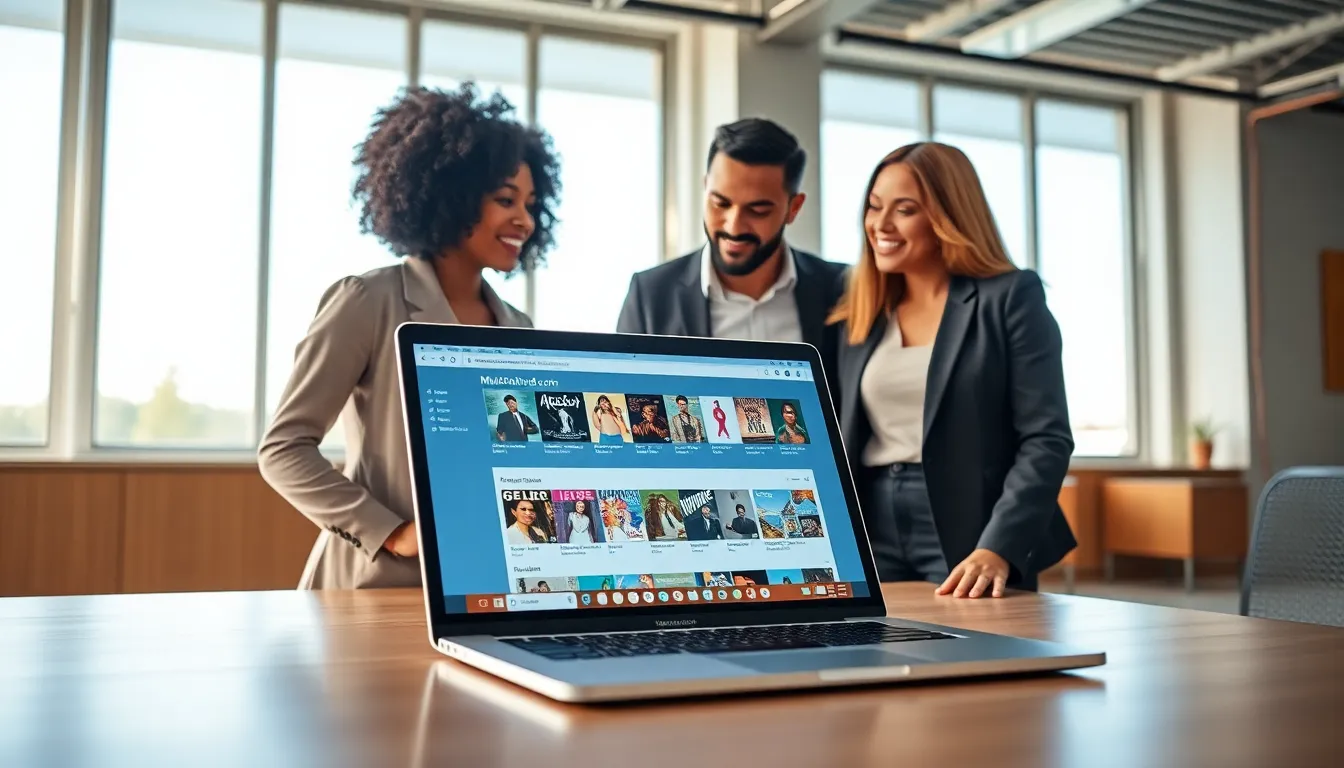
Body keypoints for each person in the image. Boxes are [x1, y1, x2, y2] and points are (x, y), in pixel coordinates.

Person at [258, 84, 562, 590]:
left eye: (531, 204)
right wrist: (392, 532)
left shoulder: (519, 328)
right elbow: (283, 450)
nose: (525, 220)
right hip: (372, 587)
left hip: (481, 587)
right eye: (505, 200)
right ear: (452, 195)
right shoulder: (367, 301)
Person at [828, 142, 1076, 599]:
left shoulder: (1010, 297)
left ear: (947, 216)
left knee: (973, 639)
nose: (880, 224)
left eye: (904, 210)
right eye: (874, 206)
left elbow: (1046, 438)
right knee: (871, 638)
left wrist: (998, 546)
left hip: (971, 523)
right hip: (871, 521)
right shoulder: (863, 312)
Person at [615, 118, 847, 392]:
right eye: (720, 203)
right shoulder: (650, 297)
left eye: (758, 211)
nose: (733, 227)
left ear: (793, 208)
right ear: (705, 188)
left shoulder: (842, 289)